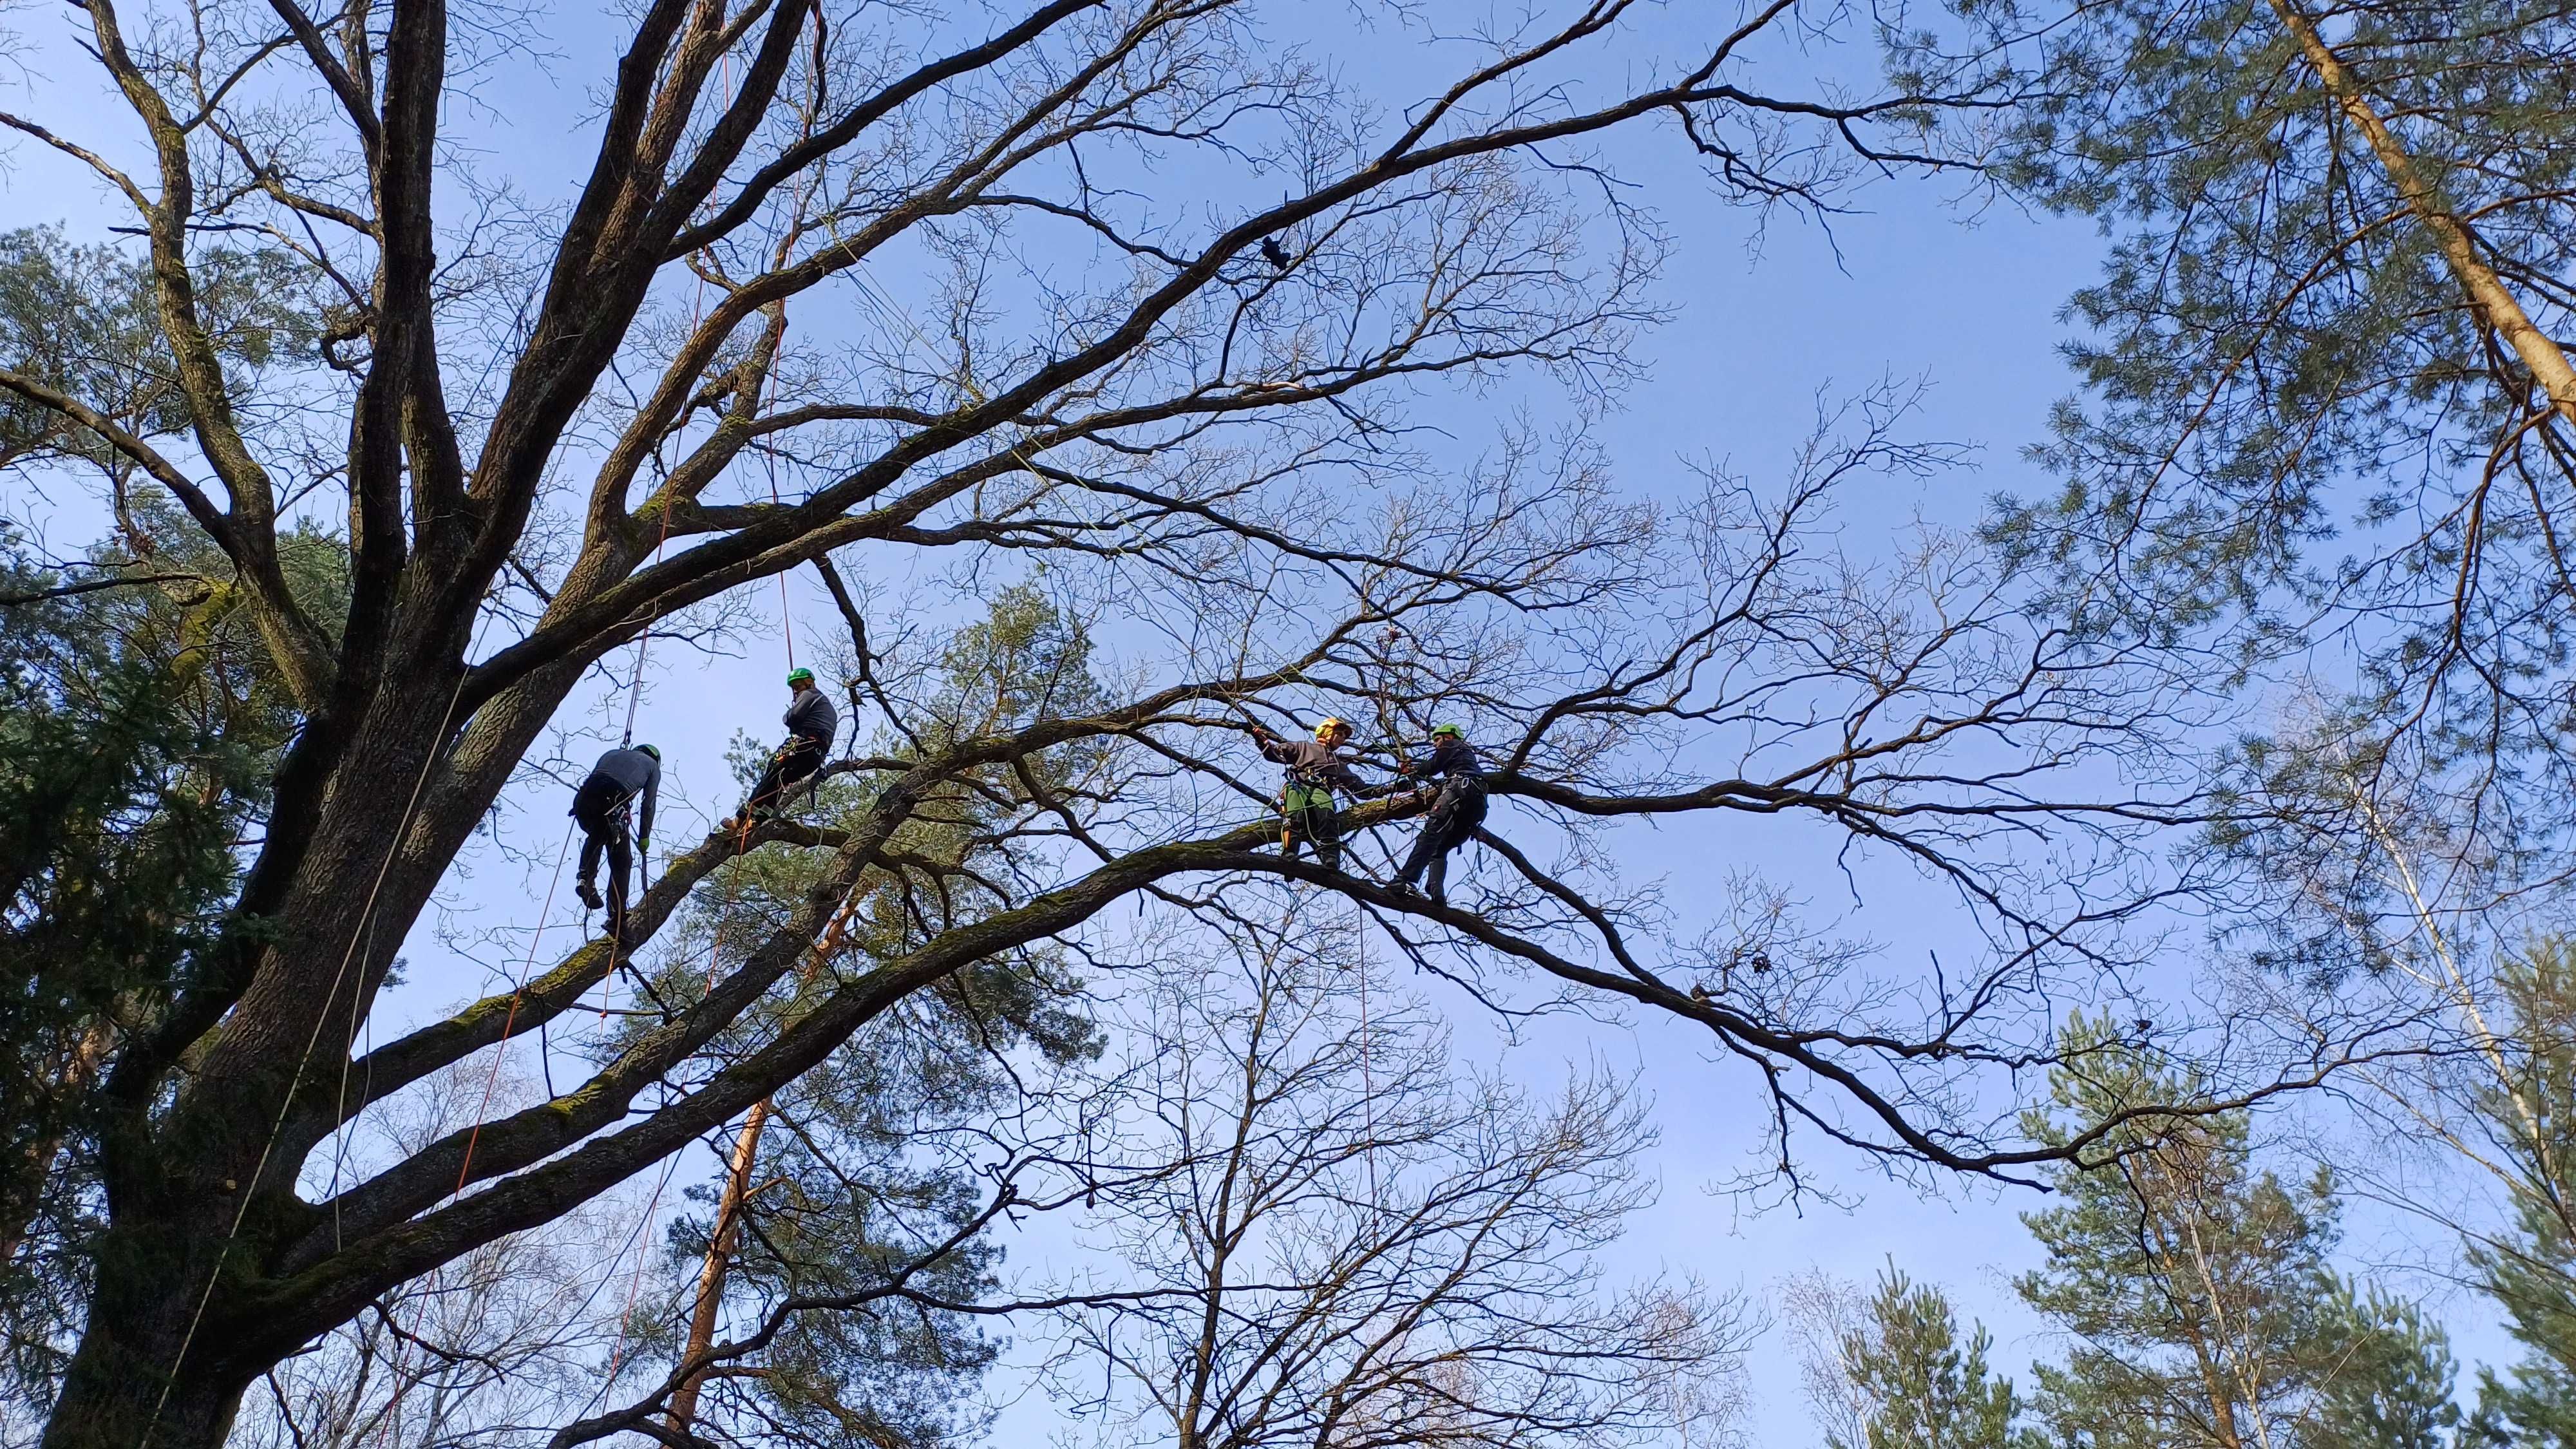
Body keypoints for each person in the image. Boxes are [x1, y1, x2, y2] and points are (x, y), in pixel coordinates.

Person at [723, 667, 839, 833]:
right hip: (815, 758)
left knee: (771, 774)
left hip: (802, 747)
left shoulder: (809, 695)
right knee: (779, 782)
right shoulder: (826, 706)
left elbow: (793, 718)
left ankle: (740, 819)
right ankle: (758, 820)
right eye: (794, 688)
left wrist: (791, 712)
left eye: (798, 687)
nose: (796, 691)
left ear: (809, 683)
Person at [1255, 717, 1370, 871]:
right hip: (1298, 786)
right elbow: (1274, 754)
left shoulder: (1338, 765)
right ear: (1327, 732)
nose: (1343, 738)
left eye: (1345, 736)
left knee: (1328, 816)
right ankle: (1289, 854)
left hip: (1321, 790)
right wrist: (1261, 741)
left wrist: (1398, 786)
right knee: (1294, 818)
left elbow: (1363, 790)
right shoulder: (1304, 748)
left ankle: (1330, 858)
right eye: (1340, 733)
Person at [1390, 722, 1484, 905]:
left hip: (1459, 790)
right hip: (1477, 806)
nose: (1435, 744)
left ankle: (1402, 880)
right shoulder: (1466, 758)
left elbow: (1433, 765)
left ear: (1449, 737)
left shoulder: (1452, 745)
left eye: (1438, 740)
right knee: (1439, 849)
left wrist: (1413, 771)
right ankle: (1437, 893)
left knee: (1428, 836)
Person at [571, 742, 659, 933]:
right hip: (613, 801)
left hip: (583, 801)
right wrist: (644, 837)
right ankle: (616, 917)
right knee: (622, 861)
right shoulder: (653, 766)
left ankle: (585, 878)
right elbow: (648, 805)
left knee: (598, 832)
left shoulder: (612, 752)